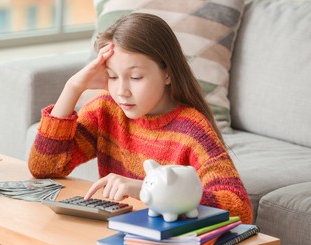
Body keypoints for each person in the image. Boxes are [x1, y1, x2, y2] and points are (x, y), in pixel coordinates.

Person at [28, 13, 253, 224]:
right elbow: (44, 167)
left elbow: (239, 209)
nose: (122, 91)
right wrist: (73, 87)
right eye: (112, 76)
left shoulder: (191, 129)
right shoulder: (107, 108)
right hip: (119, 232)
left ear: (167, 73)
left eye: (135, 77)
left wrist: (148, 189)